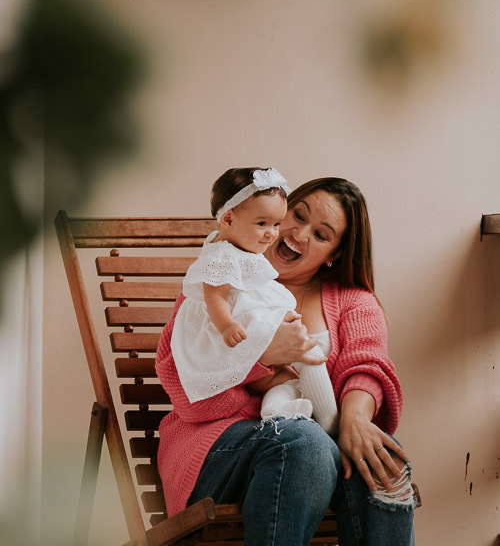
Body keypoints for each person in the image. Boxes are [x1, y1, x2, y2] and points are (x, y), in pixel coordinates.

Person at [156, 177, 416, 546]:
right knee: (304, 440)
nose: (300, 233)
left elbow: (367, 364)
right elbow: (184, 389)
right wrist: (261, 357)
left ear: (334, 255)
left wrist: (355, 421)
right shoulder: (220, 282)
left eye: (322, 234)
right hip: (217, 453)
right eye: (298, 214)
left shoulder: (354, 301)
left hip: (316, 454)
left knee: (382, 459)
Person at [171, 167, 337, 434]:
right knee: (311, 354)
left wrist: (278, 317)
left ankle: (275, 414)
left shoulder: (241, 250)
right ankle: (332, 429)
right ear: (228, 219)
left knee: (289, 383)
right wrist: (227, 326)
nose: (272, 233)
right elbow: (216, 298)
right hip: (236, 335)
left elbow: (253, 296)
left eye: (275, 224)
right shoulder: (221, 256)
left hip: (249, 335)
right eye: (262, 224)